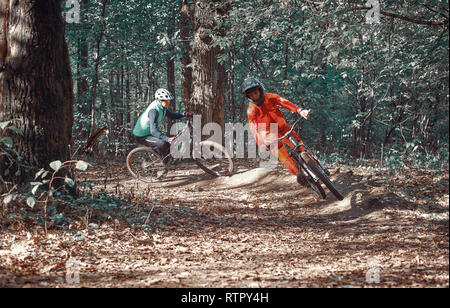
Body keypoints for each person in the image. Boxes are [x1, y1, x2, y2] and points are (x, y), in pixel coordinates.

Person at [242, 77, 311, 185]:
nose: (254, 96)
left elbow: (284, 102)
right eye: (251, 94)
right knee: (281, 154)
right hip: (269, 134)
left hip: (283, 127)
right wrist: (261, 144)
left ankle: (317, 166)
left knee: (301, 146)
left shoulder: (270, 97)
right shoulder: (251, 110)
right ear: (248, 96)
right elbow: (253, 127)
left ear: (260, 90)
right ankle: (298, 174)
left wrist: (299, 110)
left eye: (255, 92)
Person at [132, 88, 193, 170]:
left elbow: (172, 115)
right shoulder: (153, 111)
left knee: (168, 145)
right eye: (165, 101)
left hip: (148, 132)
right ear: (159, 100)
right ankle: (161, 164)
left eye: (168, 101)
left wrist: (184, 114)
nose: (168, 103)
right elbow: (153, 131)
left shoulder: (162, 107)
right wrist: (167, 138)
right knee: (161, 143)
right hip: (141, 136)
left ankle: (164, 163)